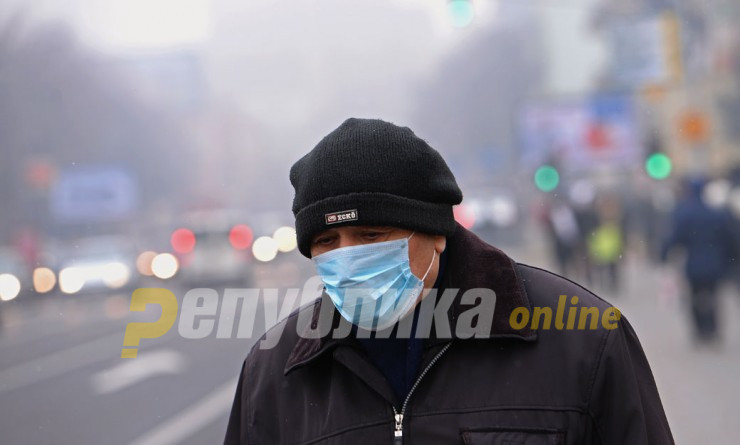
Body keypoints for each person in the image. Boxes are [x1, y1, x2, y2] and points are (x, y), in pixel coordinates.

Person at [224, 118, 673, 444]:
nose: (349, 256)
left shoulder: (581, 338)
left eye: (371, 235)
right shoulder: (273, 374)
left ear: (436, 234)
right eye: (326, 240)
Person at [661, 178, 738, 344]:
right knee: (712, 297)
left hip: (694, 264)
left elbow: (675, 238)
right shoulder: (716, 213)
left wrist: (664, 254)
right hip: (715, 264)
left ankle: (700, 331)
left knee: (695, 297)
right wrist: (731, 260)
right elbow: (730, 238)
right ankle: (712, 329)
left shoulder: (685, 213)